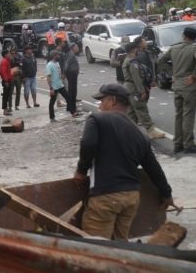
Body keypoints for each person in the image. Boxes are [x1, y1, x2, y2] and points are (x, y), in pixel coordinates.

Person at [74, 84, 174, 240]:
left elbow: (88, 144)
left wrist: (81, 171)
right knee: (120, 245)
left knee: (97, 248)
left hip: (105, 196)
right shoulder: (139, 132)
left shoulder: (97, 119)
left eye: (102, 100)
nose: (100, 105)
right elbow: (153, 167)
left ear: (112, 100)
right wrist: (166, 194)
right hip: (131, 197)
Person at [157, 26, 196, 153]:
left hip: (177, 85)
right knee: (188, 115)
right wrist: (193, 76)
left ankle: (178, 144)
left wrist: (171, 73)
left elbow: (161, 61)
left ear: (184, 36)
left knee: (178, 115)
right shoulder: (193, 48)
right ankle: (188, 144)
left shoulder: (173, 48)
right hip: (189, 87)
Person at [123, 37, 166, 139]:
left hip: (129, 88)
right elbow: (136, 78)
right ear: (134, 50)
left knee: (131, 112)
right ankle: (151, 131)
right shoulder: (132, 62)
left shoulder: (127, 60)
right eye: (136, 49)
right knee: (141, 109)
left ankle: (129, 133)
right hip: (134, 88)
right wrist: (142, 91)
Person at [46, 50, 77, 121]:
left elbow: (58, 74)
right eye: (57, 55)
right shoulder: (49, 65)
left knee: (68, 98)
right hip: (54, 87)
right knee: (52, 103)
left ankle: (73, 112)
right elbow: (48, 77)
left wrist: (62, 77)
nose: (59, 56)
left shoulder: (57, 63)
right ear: (54, 56)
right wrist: (51, 89)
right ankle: (52, 117)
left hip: (60, 85)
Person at [62, 42, 81, 107]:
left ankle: (70, 107)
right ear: (73, 48)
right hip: (71, 74)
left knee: (72, 90)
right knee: (72, 91)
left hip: (72, 74)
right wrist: (64, 73)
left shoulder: (71, 54)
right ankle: (72, 107)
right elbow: (66, 64)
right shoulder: (71, 54)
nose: (78, 48)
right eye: (76, 47)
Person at [0, 49, 14, 116]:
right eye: (8, 53)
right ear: (5, 54)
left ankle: (6, 109)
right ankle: (5, 110)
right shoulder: (4, 61)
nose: (10, 54)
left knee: (7, 95)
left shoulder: (7, 61)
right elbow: (4, 72)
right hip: (6, 81)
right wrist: (6, 81)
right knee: (5, 96)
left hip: (8, 80)